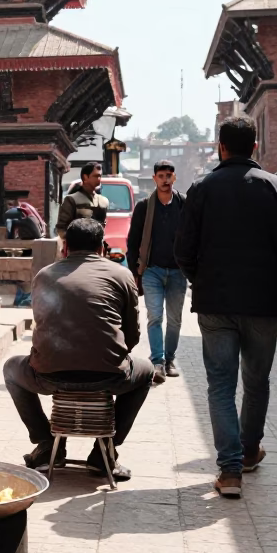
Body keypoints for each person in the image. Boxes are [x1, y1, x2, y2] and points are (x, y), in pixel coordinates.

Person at [174, 115, 277, 499]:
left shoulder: (202, 188)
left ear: (221, 147)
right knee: (256, 381)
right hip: (264, 304)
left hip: (215, 303)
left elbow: (182, 250)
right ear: (254, 147)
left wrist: (200, 279)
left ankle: (230, 470)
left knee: (220, 384)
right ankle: (249, 450)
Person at [3, 217, 154, 482]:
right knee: (147, 371)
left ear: (65, 247)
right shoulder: (121, 275)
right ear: (102, 249)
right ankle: (104, 454)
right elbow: (132, 335)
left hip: (49, 376)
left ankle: (47, 443)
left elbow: (41, 326)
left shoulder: (45, 275)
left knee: (11, 368)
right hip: (108, 376)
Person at [126, 159, 187, 384]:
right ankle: (157, 362)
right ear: (154, 179)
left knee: (175, 320)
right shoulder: (144, 206)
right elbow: (133, 240)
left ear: (174, 178)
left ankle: (170, 359)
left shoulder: (184, 204)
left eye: (168, 176)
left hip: (178, 271)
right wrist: (135, 270)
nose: (165, 180)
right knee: (155, 317)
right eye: (161, 176)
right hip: (151, 270)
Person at [55, 162, 109, 246]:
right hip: (76, 249)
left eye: (100, 176)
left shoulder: (103, 201)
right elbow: (61, 228)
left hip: (96, 247)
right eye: (95, 176)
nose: (98, 179)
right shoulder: (71, 200)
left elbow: (103, 226)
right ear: (85, 177)